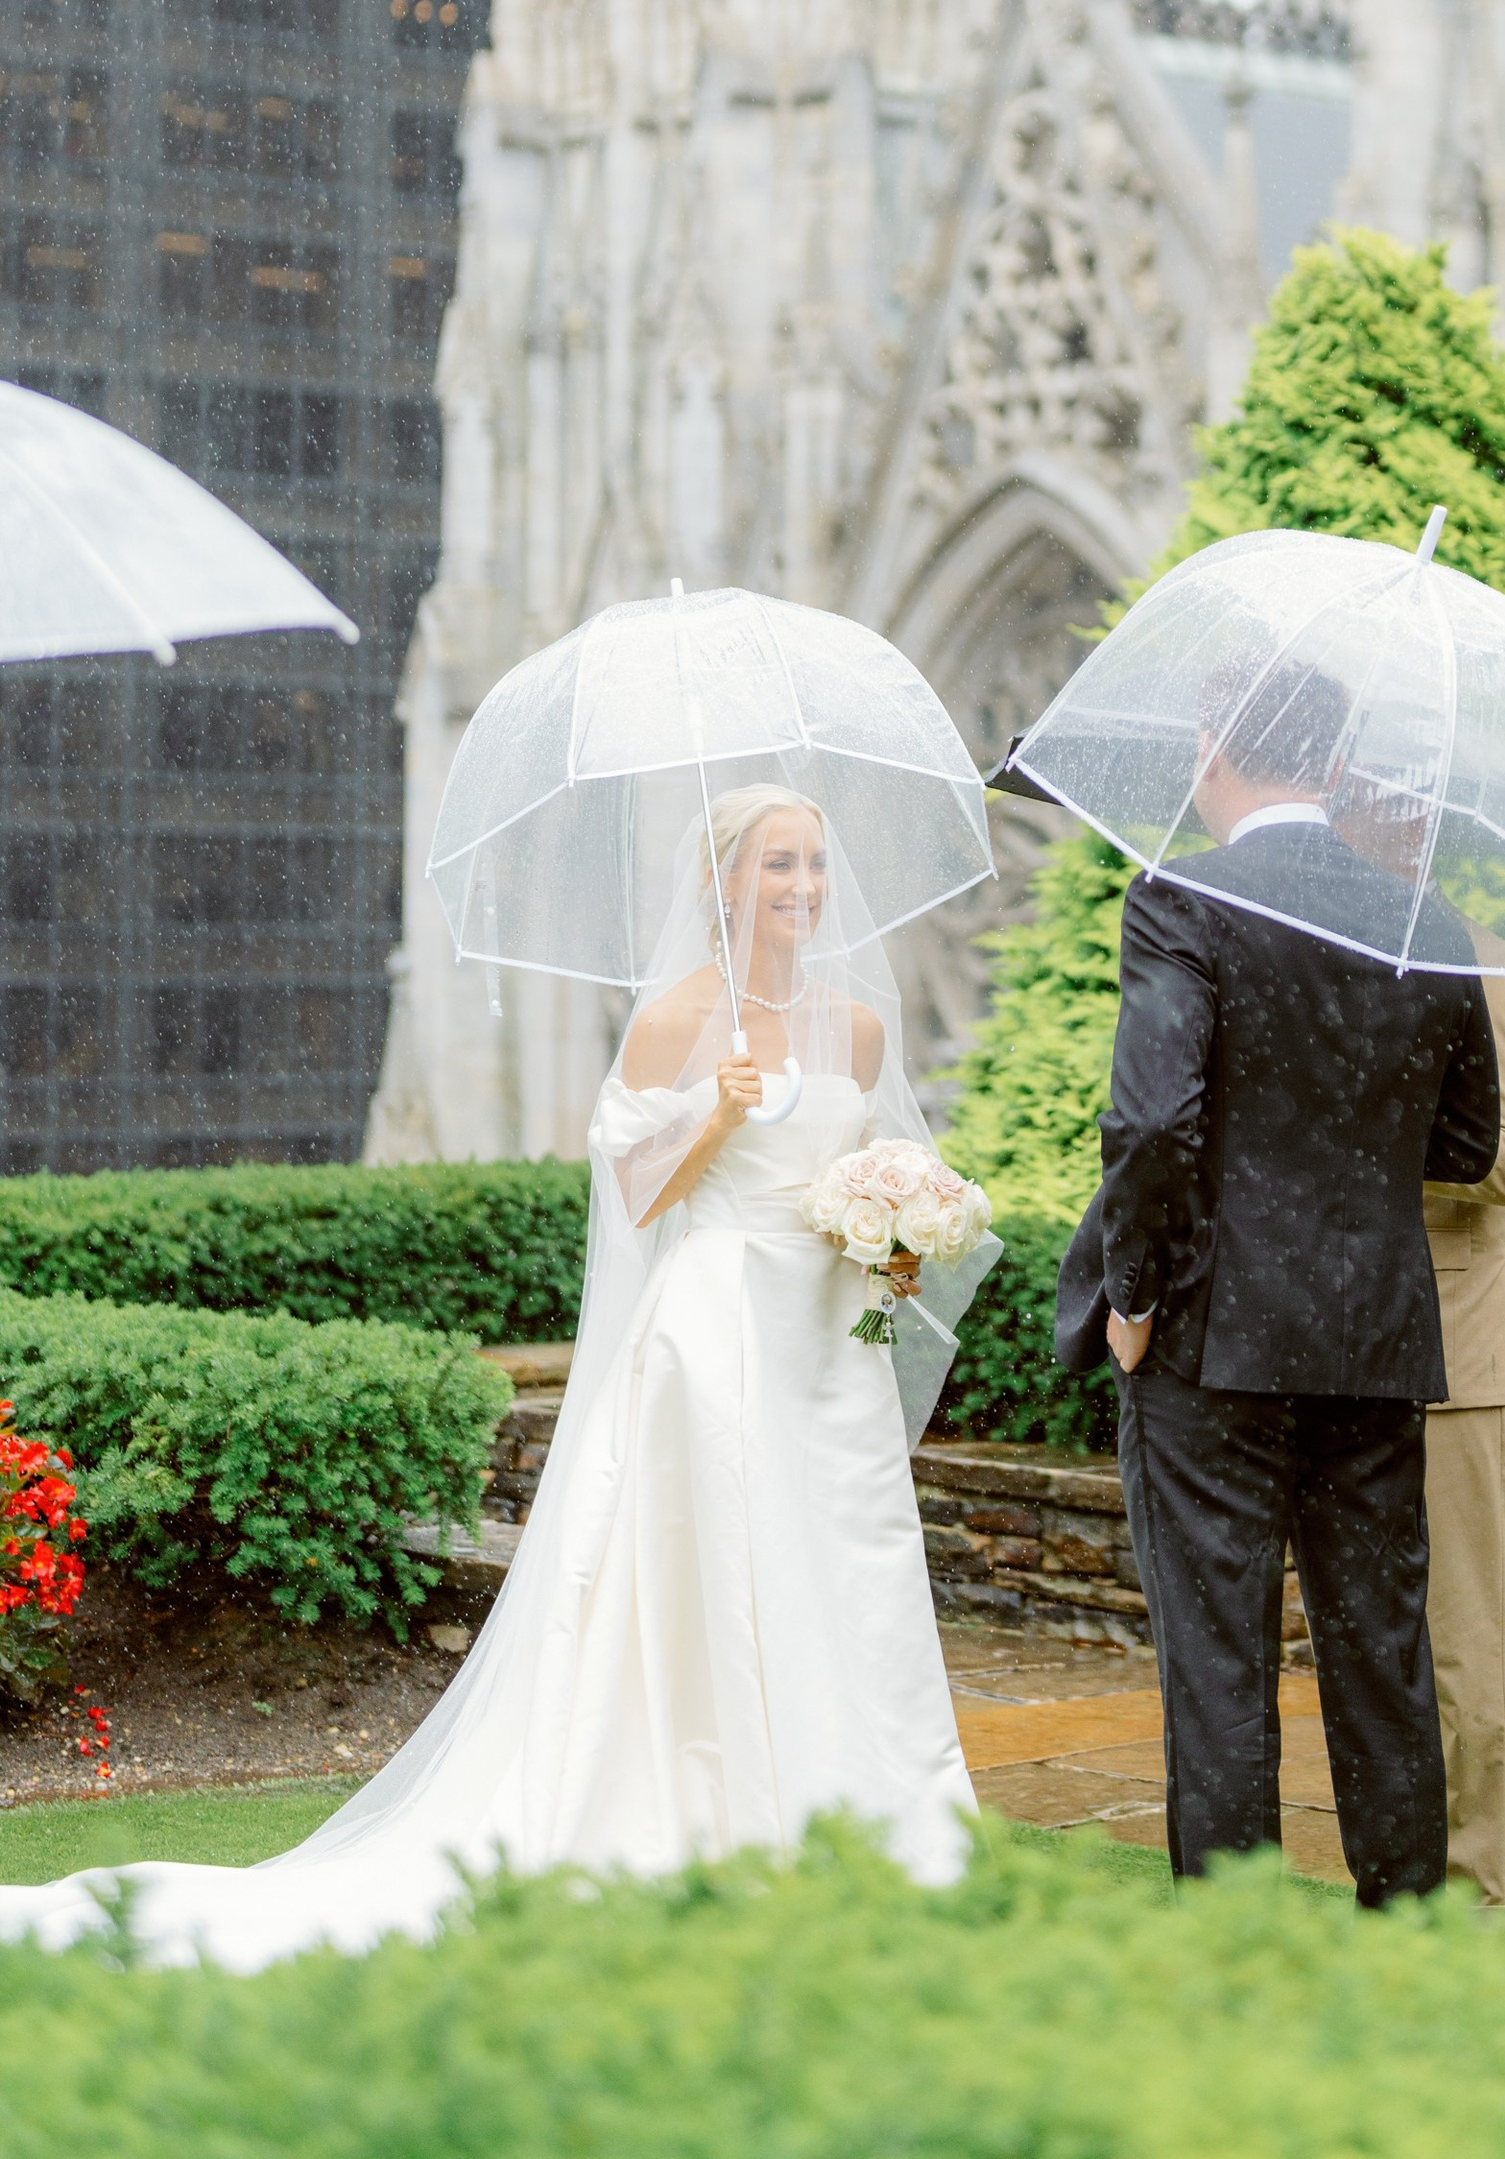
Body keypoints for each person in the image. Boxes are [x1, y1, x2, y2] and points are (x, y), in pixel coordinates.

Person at [0, 786, 976, 1967]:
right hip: (714, 1332)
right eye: (779, 864)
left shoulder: (855, 1028)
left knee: (840, 1562)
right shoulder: (674, 1021)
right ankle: (722, 1807)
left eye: (816, 862)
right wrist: (710, 1121)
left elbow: (857, 1173)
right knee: (719, 1557)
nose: (805, 887)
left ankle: (875, 1811)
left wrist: (898, 1237)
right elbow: (633, 1198)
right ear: (723, 883)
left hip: (829, 1339)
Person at [1056, 677, 1503, 1906]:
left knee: (1217, 1663)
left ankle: (1239, 1957)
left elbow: (1150, 1124)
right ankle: (1407, 1939)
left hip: (1211, 1343)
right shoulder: (1425, 919)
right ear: (1338, 760)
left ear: (1213, 750)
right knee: (1380, 1657)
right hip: (1375, 1343)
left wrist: (1131, 1302)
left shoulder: (1178, 897)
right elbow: (1467, 1144)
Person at [1423, 970, 1505, 1916]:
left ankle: (1480, 1914)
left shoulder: (1493, 966)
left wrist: (1357, 1113)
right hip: (1339, 1351)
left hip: (1460, 1359)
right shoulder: (1335, 945)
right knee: (1382, 1661)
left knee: (1469, 1663)